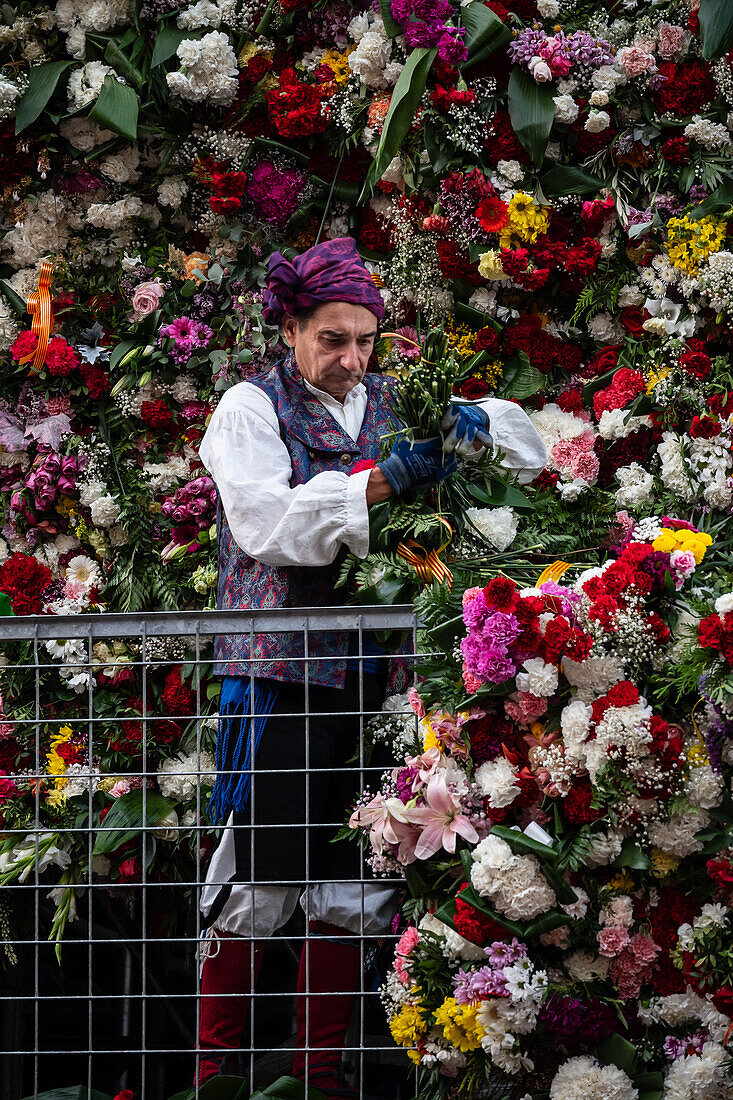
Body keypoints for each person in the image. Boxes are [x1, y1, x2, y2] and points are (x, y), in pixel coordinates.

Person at [195, 236, 547, 1093]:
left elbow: (526, 449)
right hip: (282, 675)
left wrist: (473, 426)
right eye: (332, 340)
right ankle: (212, 1077)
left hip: (383, 681)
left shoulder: (394, 396)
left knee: (363, 868)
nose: (351, 359)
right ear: (290, 328)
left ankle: (318, 1078)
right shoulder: (250, 406)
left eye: (364, 340)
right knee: (262, 872)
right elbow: (268, 526)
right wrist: (379, 485)